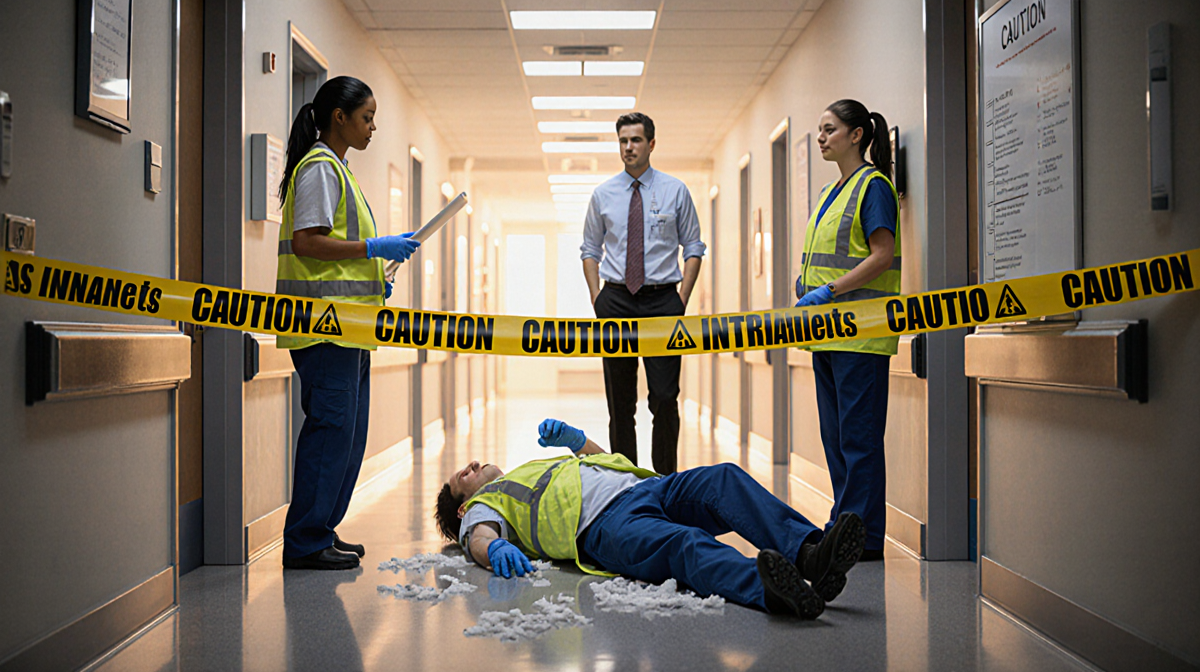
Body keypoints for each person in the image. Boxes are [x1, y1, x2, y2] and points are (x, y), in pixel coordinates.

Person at [434, 419, 866, 620]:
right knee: (683, 545)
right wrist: (491, 547)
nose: (472, 465)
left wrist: (579, 442)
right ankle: (773, 592)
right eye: (463, 475)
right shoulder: (483, 506)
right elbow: (479, 535)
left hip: (647, 487)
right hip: (605, 528)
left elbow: (602, 465)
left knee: (724, 480)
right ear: (462, 505)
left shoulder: (527, 470)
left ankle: (809, 554)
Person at [276, 76, 420, 570]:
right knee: (329, 432)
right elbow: (307, 242)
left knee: (347, 436)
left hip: (350, 327)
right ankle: (304, 542)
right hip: (323, 327)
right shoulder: (319, 168)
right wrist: (374, 249)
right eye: (367, 117)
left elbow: (338, 254)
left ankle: (321, 531)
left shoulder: (339, 169)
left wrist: (376, 273)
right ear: (339, 117)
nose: (373, 127)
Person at [795, 100, 902, 562]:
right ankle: (844, 524)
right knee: (836, 437)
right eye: (820, 130)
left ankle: (864, 537)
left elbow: (882, 254)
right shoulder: (829, 192)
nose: (821, 138)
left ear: (856, 135)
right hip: (827, 332)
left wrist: (830, 290)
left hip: (860, 333)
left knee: (858, 440)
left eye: (829, 129)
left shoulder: (873, 186)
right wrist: (806, 288)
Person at [581, 112, 706, 476]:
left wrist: (681, 298)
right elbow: (590, 250)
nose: (628, 147)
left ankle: (666, 479)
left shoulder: (674, 190)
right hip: (616, 300)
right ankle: (625, 482)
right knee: (620, 404)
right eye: (622, 141)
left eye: (635, 140)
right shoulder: (603, 195)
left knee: (665, 399)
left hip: (663, 300)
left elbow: (694, 246)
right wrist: (597, 297)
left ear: (651, 144)